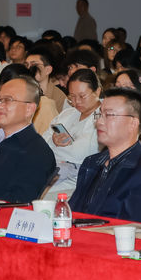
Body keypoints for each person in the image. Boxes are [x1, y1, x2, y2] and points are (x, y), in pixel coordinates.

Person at [70, 88, 141, 224]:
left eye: (109, 115)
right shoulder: (91, 163)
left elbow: (134, 230)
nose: (99, 122)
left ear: (133, 123)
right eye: (99, 115)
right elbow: (72, 213)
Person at [42, 69, 100, 198]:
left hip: (79, 179)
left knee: (41, 195)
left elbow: (81, 153)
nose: (76, 101)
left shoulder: (103, 117)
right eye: (72, 96)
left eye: (82, 96)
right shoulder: (68, 114)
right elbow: (42, 143)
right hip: (52, 169)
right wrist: (53, 141)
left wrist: (54, 147)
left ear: (97, 92)